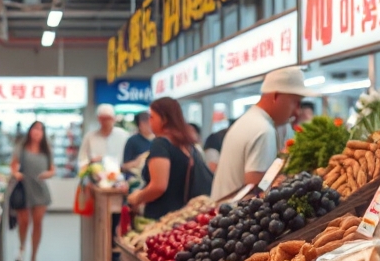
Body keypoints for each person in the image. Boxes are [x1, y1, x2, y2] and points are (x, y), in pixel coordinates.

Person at [211, 67, 317, 201]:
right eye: (295, 102)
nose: (297, 111)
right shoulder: (263, 130)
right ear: (276, 96)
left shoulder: (250, 120)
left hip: (220, 212)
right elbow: (256, 193)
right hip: (231, 214)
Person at [127, 99, 201, 219]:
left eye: (152, 117)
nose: (149, 121)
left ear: (164, 119)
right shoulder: (188, 145)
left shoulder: (161, 144)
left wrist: (137, 197)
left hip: (163, 218)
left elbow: (158, 186)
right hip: (185, 216)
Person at [10, 121, 55, 261]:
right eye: (35, 129)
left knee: (38, 223)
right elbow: (14, 165)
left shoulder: (46, 150)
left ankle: (34, 258)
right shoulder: (21, 148)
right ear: (30, 131)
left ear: (43, 133)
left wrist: (47, 174)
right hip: (24, 188)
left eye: (40, 130)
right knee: (23, 222)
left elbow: (52, 169)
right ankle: (22, 248)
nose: (37, 132)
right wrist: (16, 173)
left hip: (40, 190)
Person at [78, 103, 130, 171]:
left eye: (109, 118)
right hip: (95, 175)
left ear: (114, 119)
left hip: (119, 174)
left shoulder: (123, 135)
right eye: (103, 119)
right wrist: (90, 163)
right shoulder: (89, 137)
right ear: (99, 119)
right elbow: (82, 159)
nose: (106, 122)